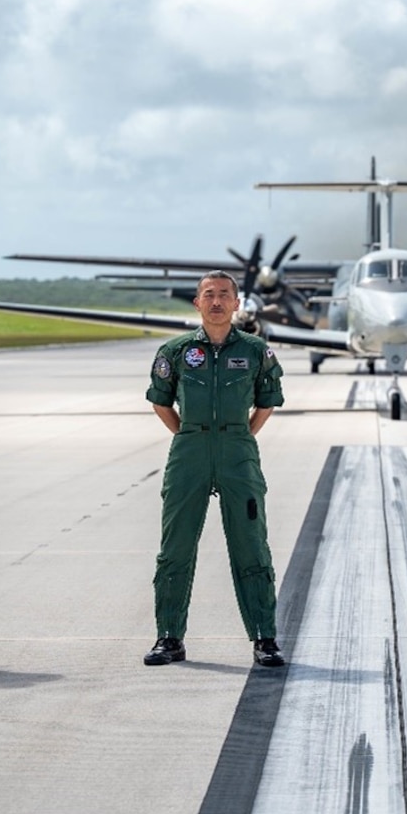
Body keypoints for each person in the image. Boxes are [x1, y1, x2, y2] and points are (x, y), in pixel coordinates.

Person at [143, 271, 287, 668]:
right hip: (189, 451)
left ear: (237, 303)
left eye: (225, 295)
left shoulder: (257, 350)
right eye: (209, 295)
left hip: (237, 452)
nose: (217, 301)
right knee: (175, 548)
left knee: (251, 545)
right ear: (197, 303)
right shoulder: (176, 350)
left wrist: (240, 435)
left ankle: (264, 638)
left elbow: (267, 400)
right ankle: (169, 637)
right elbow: (161, 401)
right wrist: (190, 434)